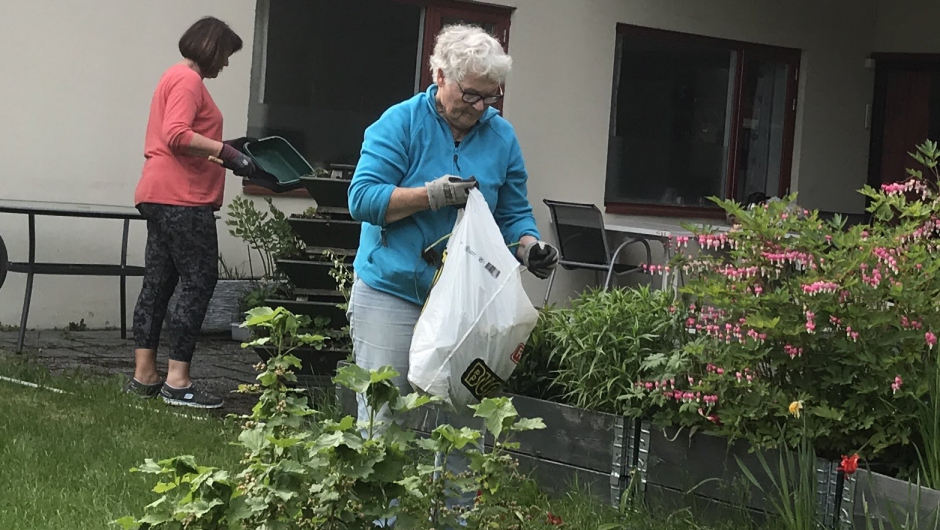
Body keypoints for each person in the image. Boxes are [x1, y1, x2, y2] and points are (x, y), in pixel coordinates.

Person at [348, 24, 558, 437]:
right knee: (385, 417)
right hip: (392, 291)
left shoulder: (502, 137)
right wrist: (431, 196)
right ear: (440, 75)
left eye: (490, 95)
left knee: (459, 421)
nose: (481, 106)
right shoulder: (400, 123)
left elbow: (513, 213)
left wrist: (530, 247)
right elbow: (363, 199)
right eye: (471, 94)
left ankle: (454, 504)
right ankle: (380, 504)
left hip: (466, 304)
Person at [124, 16, 258, 408]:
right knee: (199, 281)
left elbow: (181, 136)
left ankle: (144, 376)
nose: (227, 65)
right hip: (182, 198)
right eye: (227, 55)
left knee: (159, 283)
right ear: (212, 48)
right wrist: (225, 152)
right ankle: (178, 381)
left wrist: (230, 146)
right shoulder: (188, 80)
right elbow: (178, 135)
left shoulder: (173, 77)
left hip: (159, 192)